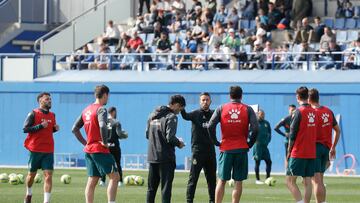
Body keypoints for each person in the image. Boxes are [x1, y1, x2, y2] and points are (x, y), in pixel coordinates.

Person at [207, 86, 258, 203]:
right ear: (241, 96)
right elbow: (255, 129)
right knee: (238, 181)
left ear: (230, 96)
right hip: (241, 148)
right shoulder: (248, 109)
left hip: (226, 149)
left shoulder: (222, 108)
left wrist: (215, 141)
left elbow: (210, 125)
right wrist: (250, 143)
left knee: (221, 180)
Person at [72, 85, 120, 203]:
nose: (108, 98)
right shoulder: (101, 109)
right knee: (115, 177)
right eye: (108, 96)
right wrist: (104, 141)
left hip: (89, 150)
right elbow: (102, 125)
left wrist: (86, 143)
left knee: (92, 180)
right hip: (99, 149)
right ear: (105, 95)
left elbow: (74, 129)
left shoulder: (86, 110)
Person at [146, 94, 186, 203]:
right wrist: (179, 143)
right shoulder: (171, 117)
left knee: (151, 189)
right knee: (166, 190)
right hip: (166, 158)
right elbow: (170, 138)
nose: (180, 111)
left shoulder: (152, 115)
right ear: (177, 105)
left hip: (152, 156)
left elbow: (147, 135)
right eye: (181, 108)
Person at [23, 92, 60, 203]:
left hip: (48, 150)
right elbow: (25, 129)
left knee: (48, 176)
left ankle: (46, 201)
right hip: (35, 150)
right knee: (31, 175)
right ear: (40, 101)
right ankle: (29, 193)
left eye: (50, 99)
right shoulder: (33, 113)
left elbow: (48, 130)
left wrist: (54, 129)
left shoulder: (53, 115)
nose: (49, 101)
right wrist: (40, 126)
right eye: (47, 99)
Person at [181, 92, 217, 203]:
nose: (205, 102)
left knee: (211, 180)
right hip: (198, 152)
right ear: (200, 101)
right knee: (193, 178)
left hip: (210, 152)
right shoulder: (195, 114)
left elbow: (225, 118)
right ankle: (189, 200)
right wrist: (182, 107)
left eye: (207, 99)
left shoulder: (215, 114)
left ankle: (212, 200)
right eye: (203, 100)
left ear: (210, 101)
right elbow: (185, 116)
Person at [308, 88, 341, 203]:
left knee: (316, 180)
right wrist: (333, 147)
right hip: (326, 149)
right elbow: (337, 130)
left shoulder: (310, 113)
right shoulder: (328, 111)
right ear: (318, 97)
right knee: (319, 179)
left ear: (309, 99)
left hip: (315, 148)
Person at [286, 86, 317, 203]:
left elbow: (292, 134)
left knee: (289, 181)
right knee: (307, 181)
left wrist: (289, 151)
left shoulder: (298, 112)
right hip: (311, 152)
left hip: (298, 152)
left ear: (298, 97)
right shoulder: (314, 112)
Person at [99, 107, 128, 187]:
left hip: (105, 146)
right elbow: (119, 134)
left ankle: (102, 180)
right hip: (114, 146)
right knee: (117, 164)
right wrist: (125, 135)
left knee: (104, 164)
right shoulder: (116, 122)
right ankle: (120, 181)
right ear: (113, 112)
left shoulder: (103, 122)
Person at [253, 109, 272, 184]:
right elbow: (248, 132)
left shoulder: (266, 123)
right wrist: (253, 141)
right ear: (258, 114)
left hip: (265, 146)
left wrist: (268, 141)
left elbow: (269, 133)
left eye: (263, 114)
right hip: (257, 146)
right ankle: (257, 179)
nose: (263, 115)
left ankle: (267, 178)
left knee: (269, 162)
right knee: (257, 162)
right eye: (261, 114)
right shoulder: (254, 123)